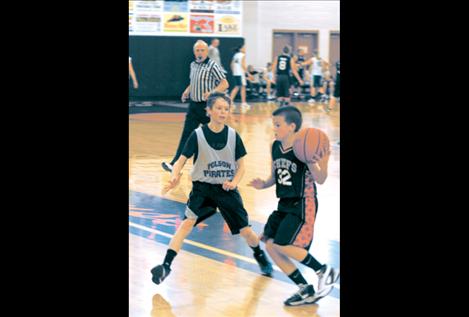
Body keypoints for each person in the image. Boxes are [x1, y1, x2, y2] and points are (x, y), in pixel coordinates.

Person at [151, 92, 273, 285]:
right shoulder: (197, 135)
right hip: (203, 190)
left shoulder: (234, 136)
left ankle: (260, 255)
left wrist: (234, 182)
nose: (223, 112)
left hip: (226, 190)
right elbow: (180, 161)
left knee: (246, 231)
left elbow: (241, 167)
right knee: (185, 225)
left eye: (226, 109)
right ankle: (165, 266)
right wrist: (175, 176)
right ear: (208, 111)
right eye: (218, 108)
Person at [248, 106, 339, 306]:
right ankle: (305, 290)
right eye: (274, 124)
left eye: (277, 125)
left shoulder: (304, 148)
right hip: (284, 203)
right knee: (271, 245)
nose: (274, 128)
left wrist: (321, 162)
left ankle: (325, 271)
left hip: (303, 202)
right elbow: (274, 176)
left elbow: (321, 179)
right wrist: (263, 184)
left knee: (283, 243)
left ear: (291, 126)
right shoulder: (275, 146)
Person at [162, 40, 229, 173]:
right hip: (193, 106)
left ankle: (221, 164)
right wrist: (187, 90)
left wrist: (212, 92)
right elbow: (194, 81)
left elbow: (225, 84)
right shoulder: (193, 65)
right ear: (194, 52)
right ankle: (175, 164)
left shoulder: (212, 65)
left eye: (202, 50)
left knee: (210, 137)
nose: (200, 53)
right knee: (186, 135)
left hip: (207, 108)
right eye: (197, 50)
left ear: (206, 51)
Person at [229, 44, 253, 110]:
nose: (245, 49)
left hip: (236, 73)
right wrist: (248, 74)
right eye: (244, 48)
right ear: (241, 49)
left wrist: (234, 71)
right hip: (240, 73)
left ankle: (230, 102)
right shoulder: (243, 55)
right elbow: (243, 65)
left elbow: (231, 64)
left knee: (237, 87)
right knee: (242, 88)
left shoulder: (235, 55)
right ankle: (243, 103)